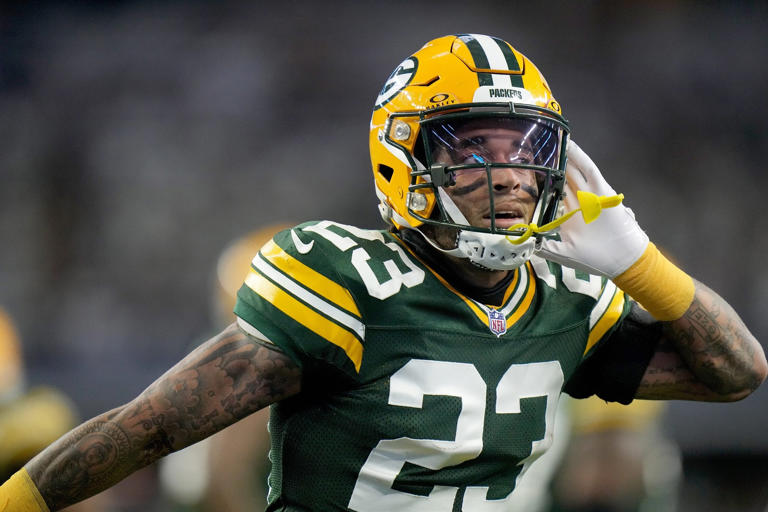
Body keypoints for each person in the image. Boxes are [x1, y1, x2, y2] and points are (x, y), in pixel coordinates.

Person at [1, 33, 765, 512]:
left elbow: (736, 373)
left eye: (526, 149)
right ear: (404, 163)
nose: (508, 176)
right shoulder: (349, 286)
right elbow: (153, 427)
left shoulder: (565, 302)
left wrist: (640, 263)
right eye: (470, 149)